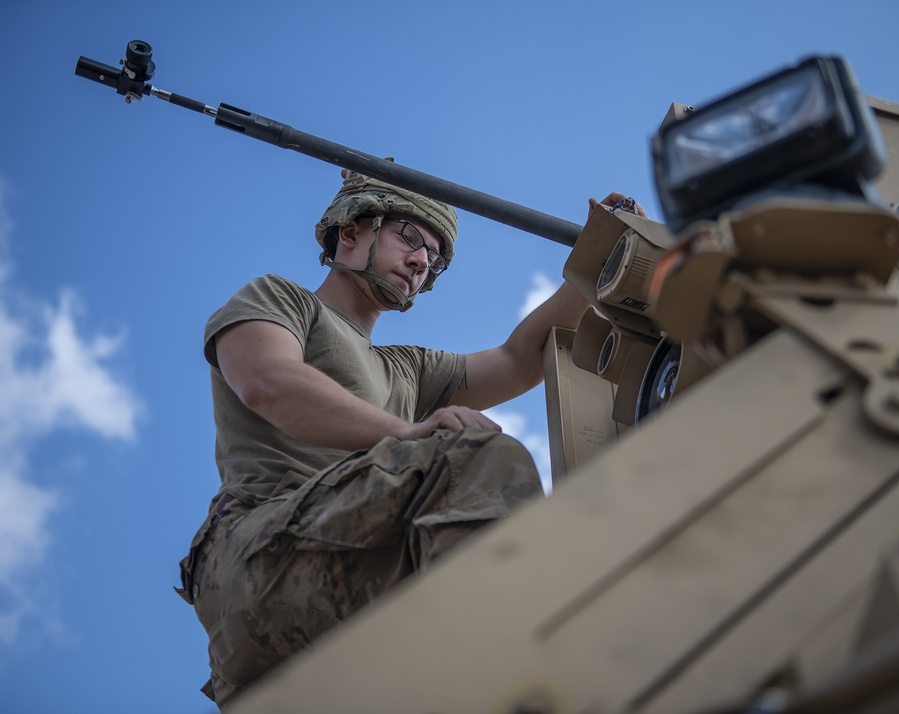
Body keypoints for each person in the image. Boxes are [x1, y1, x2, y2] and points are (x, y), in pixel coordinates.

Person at [175, 167, 644, 708]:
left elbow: (519, 359)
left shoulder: (408, 372)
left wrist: (599, 257)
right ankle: (510, 671)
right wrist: (409, 433)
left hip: (332, 612)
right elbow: (267, 383)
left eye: (436, 259)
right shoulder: (282, 300)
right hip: (258, 556)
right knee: (481, 459)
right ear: (350, 233)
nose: (423, 263)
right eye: (411, 238)